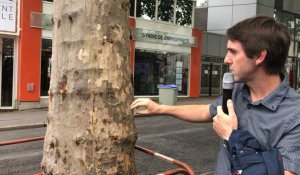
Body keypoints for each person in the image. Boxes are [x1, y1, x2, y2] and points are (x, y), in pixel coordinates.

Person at [130, 15, 300, 175]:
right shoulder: (238, 90)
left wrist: (232, 136)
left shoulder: (294, 115)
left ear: (259, 56)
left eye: (233, 52)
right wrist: (160, 108)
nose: (226, 59)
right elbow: (207, 111)